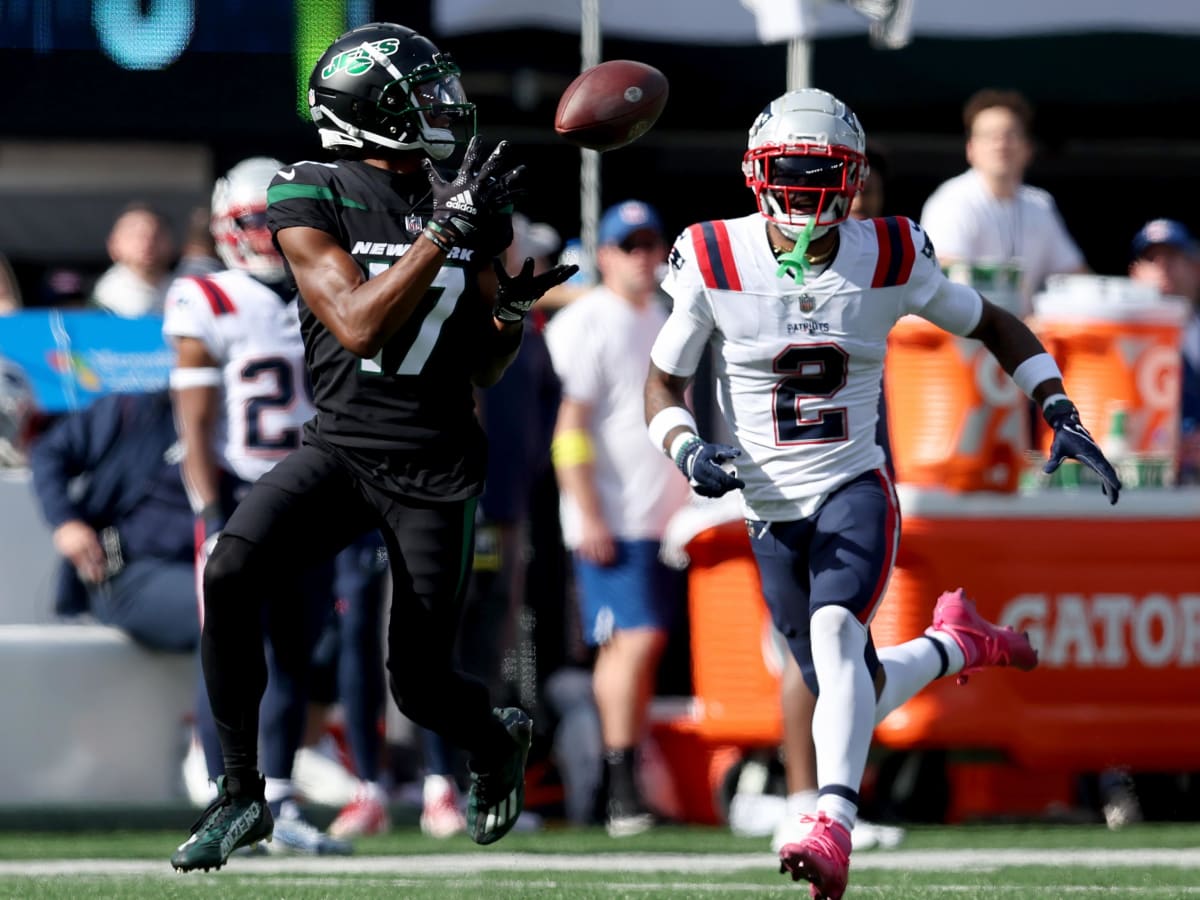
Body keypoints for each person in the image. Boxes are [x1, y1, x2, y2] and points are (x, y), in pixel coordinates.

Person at [643, 88, 1120, 899]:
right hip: (767, 508)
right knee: (847, 681)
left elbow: (995, 322)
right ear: (756, 173)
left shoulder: (891, 252)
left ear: (852, 178)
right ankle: (954, 645)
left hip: (853, 484)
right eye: (787, 170)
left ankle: (830, 822)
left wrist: (1058, 406)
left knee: (834, 638)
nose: (800, 188)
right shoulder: (715, 256)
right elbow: (661, 381)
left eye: (817, 171)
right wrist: (685, 448)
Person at [169, 21, 576, 872]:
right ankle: (241, 791)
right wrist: (441, 232)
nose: (444, 107)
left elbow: (487, 367)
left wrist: (509, 313)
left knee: (419, 685)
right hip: (344, 447)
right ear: (371, 113)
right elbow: (354, 324)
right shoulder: (309, 188)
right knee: (230, 572)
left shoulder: (466, 195)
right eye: (421, 96)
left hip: (437, 461)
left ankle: (493, 736)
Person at [164, 156, 353, 856]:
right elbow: (194, 423)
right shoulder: (203, 297)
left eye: (277, 223)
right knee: (235, 642)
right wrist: (210, 508)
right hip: (244, 490)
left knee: (301, 648)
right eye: (254, 222)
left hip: (313, 488)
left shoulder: (324, 285)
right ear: (224, 225)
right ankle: (228, 795)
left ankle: (278, 800)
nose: (269, 237)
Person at [767, 138, 904, 857]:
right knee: (817, 652)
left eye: (863, 199)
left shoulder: (885, 259)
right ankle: (801, 794)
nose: (849, 213)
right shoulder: (757, 264)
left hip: (855, 462)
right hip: (780, 477)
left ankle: (830, 804)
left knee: (838, 637)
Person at [545, 199, 693, 837]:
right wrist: (588, 513)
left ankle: (627, 782)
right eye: (628, 246)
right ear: (603, 256)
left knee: (642, 645)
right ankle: (619, 784)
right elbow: (569, 431)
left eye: (649, 244)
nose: (642, 257)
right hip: (614, 517)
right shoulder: (588, 321)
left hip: (667, 517)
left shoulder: (664, 315)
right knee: (635, 642)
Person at [28, 389, 198, 652]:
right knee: (229, 613)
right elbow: (49, 452)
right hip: (128, 573)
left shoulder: (251, 432)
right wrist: (66, 523)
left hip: (219, 574)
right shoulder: (136, 411)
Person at [919, 89, 1087, 317]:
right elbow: (945, 281)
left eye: (1011, 135)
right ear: (971, 149)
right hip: (965, 337)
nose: (1001, 144)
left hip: (1022, 339)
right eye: (989, 135)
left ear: (1028, 148)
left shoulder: (1040, 204)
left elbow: (1075, 277)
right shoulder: (951, 200)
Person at [1127, 218, 1200, 485]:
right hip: (1140, 481)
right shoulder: (1118, 343)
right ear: (1134, 273)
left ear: (1196, 269)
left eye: (1173, 256)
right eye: (1152, 259)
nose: (1163, 267)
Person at [91, 202, 176, 317]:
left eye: (156, 234)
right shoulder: (105, 301)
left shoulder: (188, 288)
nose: (147, 243)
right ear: (113, 244)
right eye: (135, 235)